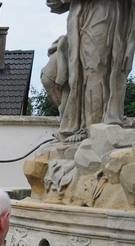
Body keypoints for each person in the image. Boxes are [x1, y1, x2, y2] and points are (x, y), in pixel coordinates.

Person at [43, 0, 135, 143]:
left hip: (104, 11)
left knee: (94, 68)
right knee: (62, 74)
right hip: (81, 14)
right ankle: (82, 125)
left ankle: (91, 129)